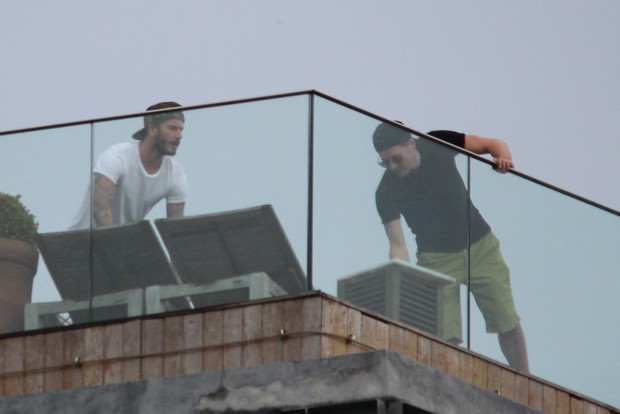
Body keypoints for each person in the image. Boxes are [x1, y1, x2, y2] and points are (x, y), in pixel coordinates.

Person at [373, 121, 529, 373]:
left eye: (396, 159)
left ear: (411, 145)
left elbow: (491, 144)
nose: (392, 167)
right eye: (385, 162)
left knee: (506, 319)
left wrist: (504, 159)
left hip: (480, 246)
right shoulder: (386, 191)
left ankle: (526, 383)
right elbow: (398, 246)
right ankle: (449, 387)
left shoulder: (437, 144)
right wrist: (403, 281)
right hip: (436, 260)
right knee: (444, 333)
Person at [69, 102, 188, 229]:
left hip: (123, 242)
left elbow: (176, 228)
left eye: (181, 129)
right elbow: (99, 207)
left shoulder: (176, 175)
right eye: (172, 128)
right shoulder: (117, 157)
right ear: (152, 129)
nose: (179, 135)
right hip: (81, 242)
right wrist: (118, 244)